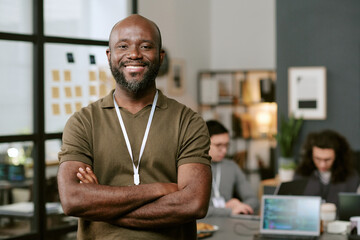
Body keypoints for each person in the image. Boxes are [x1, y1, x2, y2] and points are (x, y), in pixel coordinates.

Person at [57, 14, 212, 240]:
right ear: (110, 56)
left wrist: (101, 205)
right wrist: (159, 189)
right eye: (123, 46)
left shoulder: (188, 122)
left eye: (146, 46)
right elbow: (72, 200)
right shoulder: (83, 122)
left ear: (160, 57)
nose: (134, 54)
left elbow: (194, 204)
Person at [205, 120, 259, 217]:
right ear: (203, 143)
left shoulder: (231, 166)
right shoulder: (193, 168)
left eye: (226, 145)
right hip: (203, 226)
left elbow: (253, 200)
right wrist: (228, 210)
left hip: (229, 223)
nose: (224, 150)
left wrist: (241, 207)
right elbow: (192, 210)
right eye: (219, 145)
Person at [294, 129, 360, 207]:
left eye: (327, 159)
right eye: (317, 159)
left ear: (337, 157)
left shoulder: (351, 177)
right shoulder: (301, 175)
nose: (322, 165)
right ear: (311, 156)